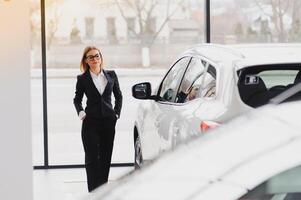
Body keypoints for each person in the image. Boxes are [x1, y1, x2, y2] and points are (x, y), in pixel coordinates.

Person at [73, 46, 122, 192]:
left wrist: (117, 113)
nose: (94, 59)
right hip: (90, 123)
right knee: (92, 159)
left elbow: (119, 96)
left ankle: (102, 191)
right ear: (86, 61)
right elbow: (77, 99)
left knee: (106, 158)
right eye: (91, 57)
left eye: (97, 56)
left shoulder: (111, 75)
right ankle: (93, 192)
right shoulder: (82, 79)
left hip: (108, 122)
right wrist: (81, 113)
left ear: (101, 58)